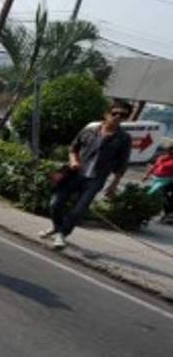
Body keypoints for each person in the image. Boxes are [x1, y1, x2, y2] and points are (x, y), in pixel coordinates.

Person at [41, 101, 134, 249]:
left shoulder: (124, 138)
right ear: (107, 114)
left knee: (78, 211)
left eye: (122, 115)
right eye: (114, 113)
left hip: (96, 180)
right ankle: (57, 227)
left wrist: (113, 185)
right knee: (55, 204)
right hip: (75, 174)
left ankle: (62, 235)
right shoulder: (90, 129)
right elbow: (73, 147)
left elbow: (122, 164)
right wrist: (73, 161)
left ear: (126, 118)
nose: (117, 117)